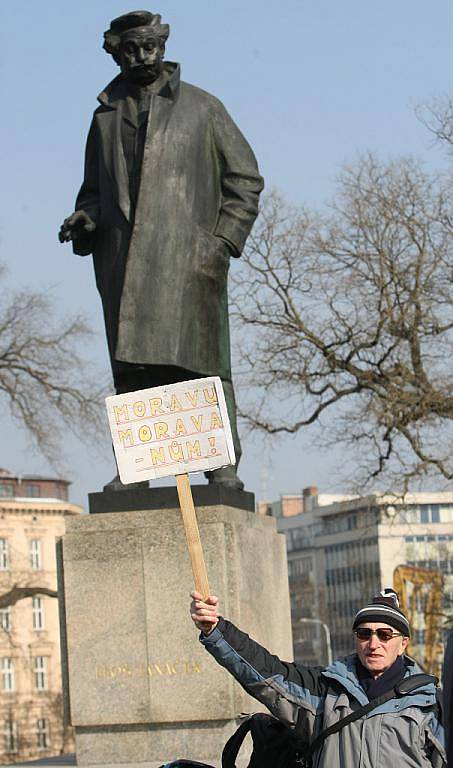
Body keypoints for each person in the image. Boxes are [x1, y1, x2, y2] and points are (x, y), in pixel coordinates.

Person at [58, 10, 264, 491]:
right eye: (131, 49)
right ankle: (139, 466)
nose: (143, 56)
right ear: (116, 52)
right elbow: (94, 190)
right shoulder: (104, 118)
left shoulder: (203, 108)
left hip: (188, 261)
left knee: (199, 362)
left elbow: (245, 180)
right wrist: (84, 218)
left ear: (164, 46)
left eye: (151, 46)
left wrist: (221, 243)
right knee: (134, 366)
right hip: (123, 263)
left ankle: (219, 462)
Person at [190, 587, 446, 767]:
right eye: (364, 634)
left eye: (385, 635)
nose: (373, 643)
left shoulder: (431, 704)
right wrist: (215, 630)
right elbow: (265, 672)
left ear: (403, 644)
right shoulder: (324, 691)